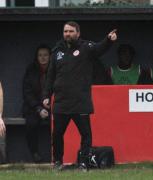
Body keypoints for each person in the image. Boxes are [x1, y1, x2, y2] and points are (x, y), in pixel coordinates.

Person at [42, 21, 117, 171]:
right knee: (57, 135)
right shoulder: (57, 51)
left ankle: (84, 163)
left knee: (86, 135)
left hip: (80, 101)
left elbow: (99, 49)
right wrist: (46, 95)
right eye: (65, 31)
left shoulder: (86, 48)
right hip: (61, 102)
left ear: (78, 33)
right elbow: (50, 76)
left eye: (70, 31)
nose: (67, 34)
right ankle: (58, 162)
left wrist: (108, 40)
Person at [23, 45, 51, 162]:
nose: (43, 58)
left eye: (45, 55)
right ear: (36, 57)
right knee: (31, 124)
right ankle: (35, 153)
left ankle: (58, 155)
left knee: (61, 123)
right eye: (40, 55)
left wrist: (51, 104)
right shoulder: (31, 69)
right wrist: (38, 109)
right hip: (34, 107)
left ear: (50, 56)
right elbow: (27, 92)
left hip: (52, 106)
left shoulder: (55, 68)